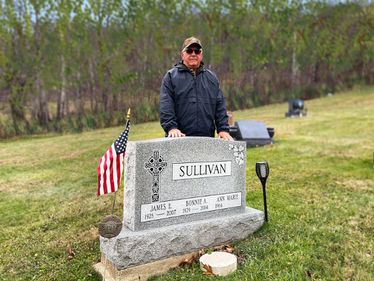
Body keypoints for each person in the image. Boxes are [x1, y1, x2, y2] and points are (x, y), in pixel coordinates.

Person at [160, 37, 233, 141]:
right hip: (178, 139)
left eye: (197, 51)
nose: (193, 54)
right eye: (189, 51)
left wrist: (223, 129)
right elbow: (166, 106)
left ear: (201, 55)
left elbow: (220, 107)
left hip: (207, 139)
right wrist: (172, 128)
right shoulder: (171, 77)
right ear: (182, 55)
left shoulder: (211, 78)